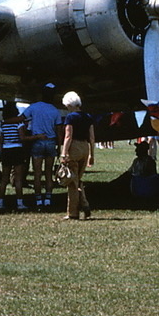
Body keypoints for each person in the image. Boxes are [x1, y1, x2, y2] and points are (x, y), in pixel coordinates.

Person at [22, 86, 64, 208]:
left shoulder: (34, 107)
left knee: (37, 173)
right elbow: (59, 131)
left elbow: (22, 118)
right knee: (48, 173)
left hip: (38, 141)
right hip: (50, 142)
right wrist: (60, 146)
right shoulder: (55, 110)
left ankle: (38, 199)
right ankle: (48, 198)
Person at [60, 91, 94, 220]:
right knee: (78, 179)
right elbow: (92, 137)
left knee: (72, 182)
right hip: (85, 147)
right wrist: (92, 154)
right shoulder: (88, 116)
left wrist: (64, 153)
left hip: (74, 147)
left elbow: (68, 136)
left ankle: (73, 213)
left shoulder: (70, 117)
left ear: (69, 104)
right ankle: (85, 204)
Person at [0, 113, 30, 211]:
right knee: (18, 179)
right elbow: (22, 137)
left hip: (6, 150)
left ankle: (0, 202)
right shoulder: (19, 124)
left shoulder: (3, 125)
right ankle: (20, 203)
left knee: (4, 179)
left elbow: (1, 141)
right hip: (17, 150)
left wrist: (0, 155)